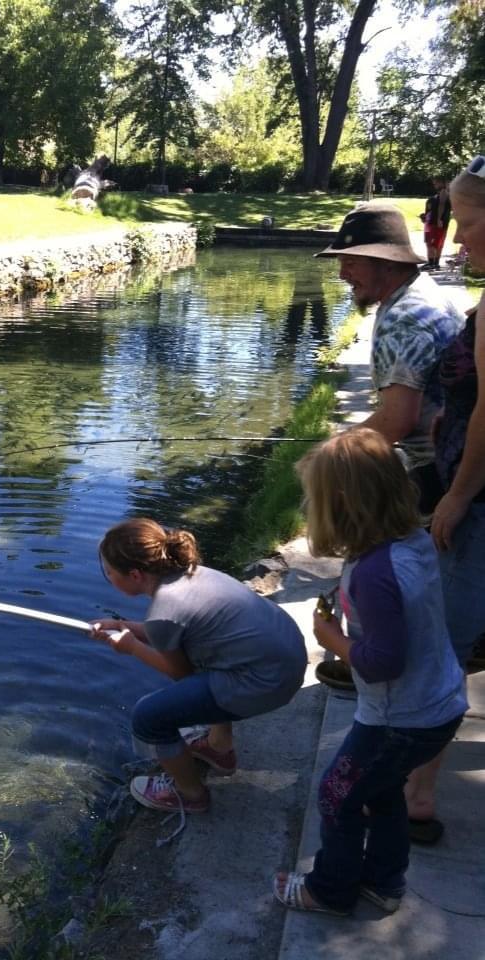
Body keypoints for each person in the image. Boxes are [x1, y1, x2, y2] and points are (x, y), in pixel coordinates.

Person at [273, 428, 466, 917]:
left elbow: (383, 660)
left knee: (336, 797)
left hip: (399, 717)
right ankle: (384, 883)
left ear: (340, 504)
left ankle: (329, 890)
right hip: (436, 704)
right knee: (380, 792)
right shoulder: (411, 542)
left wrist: (331, 641)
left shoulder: (374, 574)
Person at [312, 203, 464, 705]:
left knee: (382, 566)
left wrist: (329, 456)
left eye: (352, 261)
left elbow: (397, 421)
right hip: (450, 459)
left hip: (434, 473)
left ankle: (382, 669)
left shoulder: (403, 318)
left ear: (386, 262)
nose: (342, 272)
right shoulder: (424, 296)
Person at [91, 518, 307, 819]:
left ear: (135, 574)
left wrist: (132, 647)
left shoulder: (163, 610)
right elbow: (167, 631)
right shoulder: (192, 573)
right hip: (287, 659)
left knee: (149, 718)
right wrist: (121, 625)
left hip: (266, 683)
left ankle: (190, 794)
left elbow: (181, 673)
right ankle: (219, 748)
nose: (109, 577)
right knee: (206, 653)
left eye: (110, 572)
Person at [403, 154, 485, 842]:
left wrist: (457, 493)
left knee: (444, 644)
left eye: (463, 220)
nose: (455, 239)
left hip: (478, 504)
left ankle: (417, 791)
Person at [421, 176, 452, 270]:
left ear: (443, 182)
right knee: (433, 243)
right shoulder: (439, 194)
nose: (435, 184)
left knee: (433, 243)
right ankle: (434, 263)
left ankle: (432, 263)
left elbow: (442, 205)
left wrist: (439, 219)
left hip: (436, 223)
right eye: (434, 183)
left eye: (436, 182)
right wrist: (425, 217)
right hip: (431, 222)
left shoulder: (444, 192)